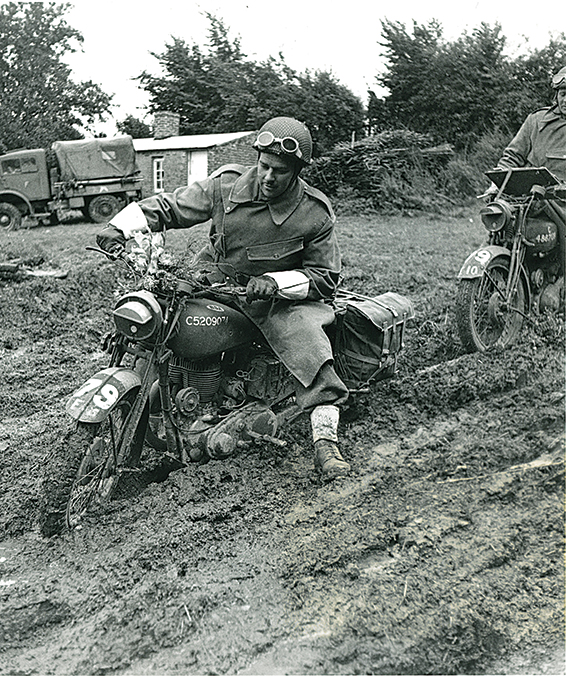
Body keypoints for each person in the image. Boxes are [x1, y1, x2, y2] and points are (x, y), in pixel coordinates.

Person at [96, 116, 351, 479]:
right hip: (215, 281)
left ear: (296, 170)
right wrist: (119, 226)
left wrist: (276, 283)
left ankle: (326, 445)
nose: (267, 177)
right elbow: (171, 207)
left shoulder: (314, 212)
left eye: (279, 171)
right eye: (263, 166)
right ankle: (152, 402)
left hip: (279, 300)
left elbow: (325, 277)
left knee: (310, 351)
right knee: (155, 319)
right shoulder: (225, 186)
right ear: (257, 159)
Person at [496, 66, 566, 294]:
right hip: (531, 195)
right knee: (500, 220)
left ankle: (560, 283)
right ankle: (494, 277)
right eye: (563, 93)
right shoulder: (536, 121)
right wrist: (497, 181)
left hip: (561, 200)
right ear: (556, 95)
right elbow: (513, 155)